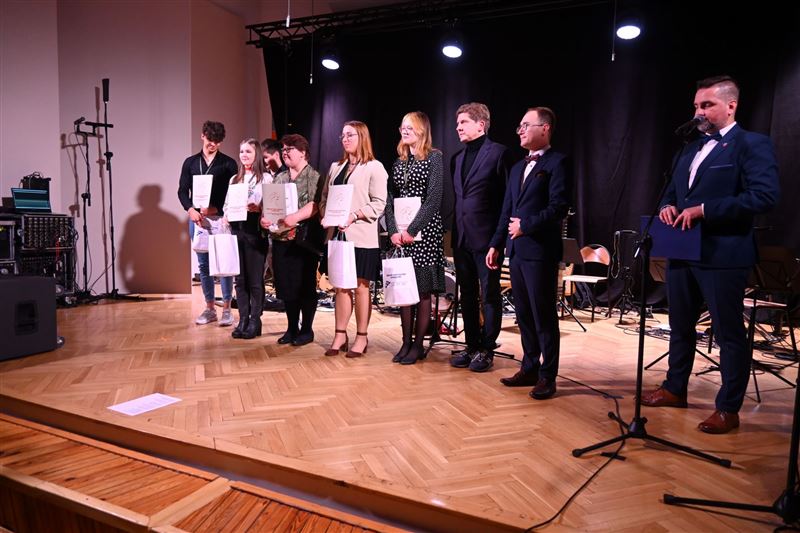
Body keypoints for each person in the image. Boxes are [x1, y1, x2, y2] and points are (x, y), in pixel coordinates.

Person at [641, 75, 780, 434]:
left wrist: (704, 210)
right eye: (696, 106)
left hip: (723, 253)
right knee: (679, 326)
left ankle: (728, 408)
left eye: (707, 105)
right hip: (682, 249)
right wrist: (668, 206)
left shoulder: (751, 144)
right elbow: (673, 193)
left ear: (731, 105)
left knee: (728, 333)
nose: (699, 112)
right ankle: (675, 388)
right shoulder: (688, 149)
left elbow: (764, 196)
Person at [487, 107, 570, 400]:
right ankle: (530, 367)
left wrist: (526, 226)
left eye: (526, 125)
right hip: (517, 251)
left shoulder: (558, 162)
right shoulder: (516, 168)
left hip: (540, 251)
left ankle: (548, 376)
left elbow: (559, 207)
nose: (520, 130)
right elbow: (506, 211)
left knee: (543, 315)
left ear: (544, 128)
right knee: (523, 314)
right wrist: (496, 244)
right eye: (519, 126)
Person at [449, 102, 512, 372]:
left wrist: (498, 241)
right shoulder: (457, 158)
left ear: (481, 124)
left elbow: (507, 202)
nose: (458, 127)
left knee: (490, 295)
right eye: (457, 123)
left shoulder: (499, 154)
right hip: (462, 238)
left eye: (463, 122)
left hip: (487, 240)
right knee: (466, 295)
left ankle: (487, 349)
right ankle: (471, 345)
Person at [319, 121, 388, 357]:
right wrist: (326, 215)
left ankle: (361, 337)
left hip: (361, 236)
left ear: (362, 137)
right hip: (337, 236)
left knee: (360, 287)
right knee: (340, 286)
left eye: (350, 135)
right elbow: (325, 198)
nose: (345, 139)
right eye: (343, 135)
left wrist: (354, 215)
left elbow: (379, 203)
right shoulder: (335, 167)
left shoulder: (374, 167)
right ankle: (340, 335)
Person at [384, 111, 445, 365]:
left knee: (421, 291)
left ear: (421, 130)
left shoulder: (434, 157)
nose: (405, 131)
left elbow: (434, 198)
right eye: (403, 127)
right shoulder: (399, 162)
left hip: (425, 234)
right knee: (404, 290)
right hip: (401, 234)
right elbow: (389, 199)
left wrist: (413, 229)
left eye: (410, 127)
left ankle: (418, 344)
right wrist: (393, 231)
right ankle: (405, 342)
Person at [260, 134, 322, 347]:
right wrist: (265, 219)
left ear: (303, 152)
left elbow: (316, 205)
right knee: (286, 286)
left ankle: (307, 329)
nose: (285, 152)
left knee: (305, 286)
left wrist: (294, 218)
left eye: (290, 149)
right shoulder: (280, 177)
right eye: (283, 149)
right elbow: (270, 204)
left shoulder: (313, 176)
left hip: (303, 241)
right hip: (281, 239)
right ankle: (292, 327)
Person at [177, 120, 238, 326]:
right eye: (210, 139)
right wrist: (190, 209)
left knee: (224, 264)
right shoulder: (191, 162)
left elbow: (232, 194)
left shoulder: (228, 164)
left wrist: (216, 209)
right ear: (202, 135)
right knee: (203, 265)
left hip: (220, 218)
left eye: (217, 141)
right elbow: (182, 191)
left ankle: (227, 309)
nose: (213, 144)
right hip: (198, 219)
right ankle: (210, 308)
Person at [224, 138, 271, 339]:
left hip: (255, 232)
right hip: (237, 231)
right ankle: (243, 319)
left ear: (256, 154)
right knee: (240, 280)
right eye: (242, 151)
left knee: (255, 280)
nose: (244, 155)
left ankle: (255, 320)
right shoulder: (234, 179)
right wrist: (226, 214)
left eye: (248, 152)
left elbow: (271, 207)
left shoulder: (266, 178)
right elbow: (227, 204)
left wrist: (259, 208)